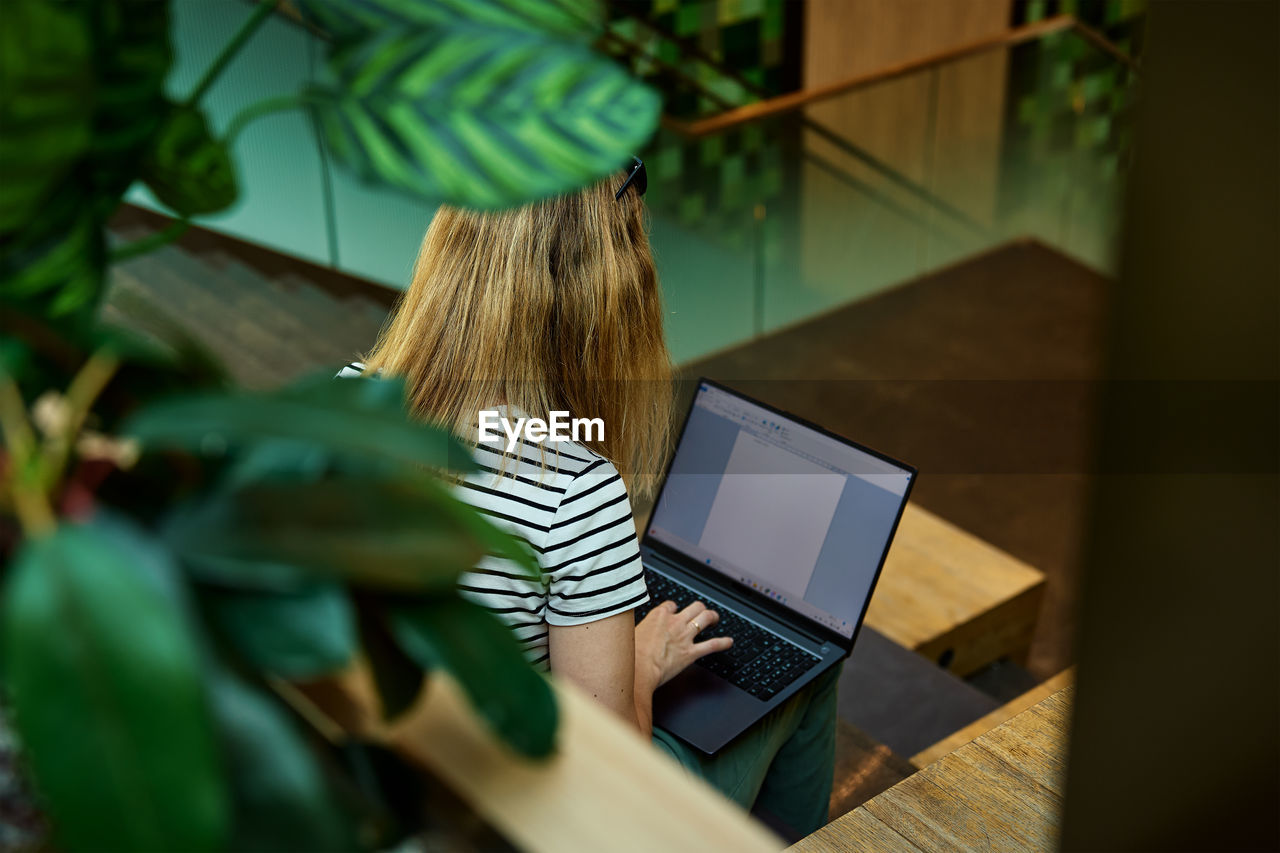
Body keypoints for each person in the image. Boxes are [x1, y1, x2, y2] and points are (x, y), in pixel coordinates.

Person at [338, 160, 839, 837]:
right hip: (511, 818)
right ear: (607, 297)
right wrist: (642, 662)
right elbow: (606, 768)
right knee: (812, 670)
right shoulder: (574, 488)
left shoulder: (338, 400)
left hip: (384, 786)